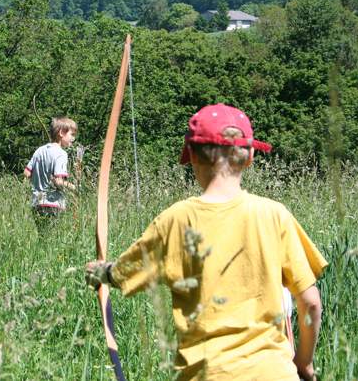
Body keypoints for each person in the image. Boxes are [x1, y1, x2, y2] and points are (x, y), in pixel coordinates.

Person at [85, 103, 327, 381]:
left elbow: (121, 273)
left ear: (192, 158)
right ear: (249, 156)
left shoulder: (175, 221)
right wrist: (304, 363)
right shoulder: (275, 215)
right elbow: (310, 304)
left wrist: (100, 272)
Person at [24, 117, 77, 228]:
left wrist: (40, 180)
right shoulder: (61, 154)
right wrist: (74, 187)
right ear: (61, 133)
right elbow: (58, 181)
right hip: (53, 203)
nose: (73, 138)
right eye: (72, 135)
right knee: (52, 239)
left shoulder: (39, 150)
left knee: (43, 238)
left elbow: (27, 173)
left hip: (36, 203)